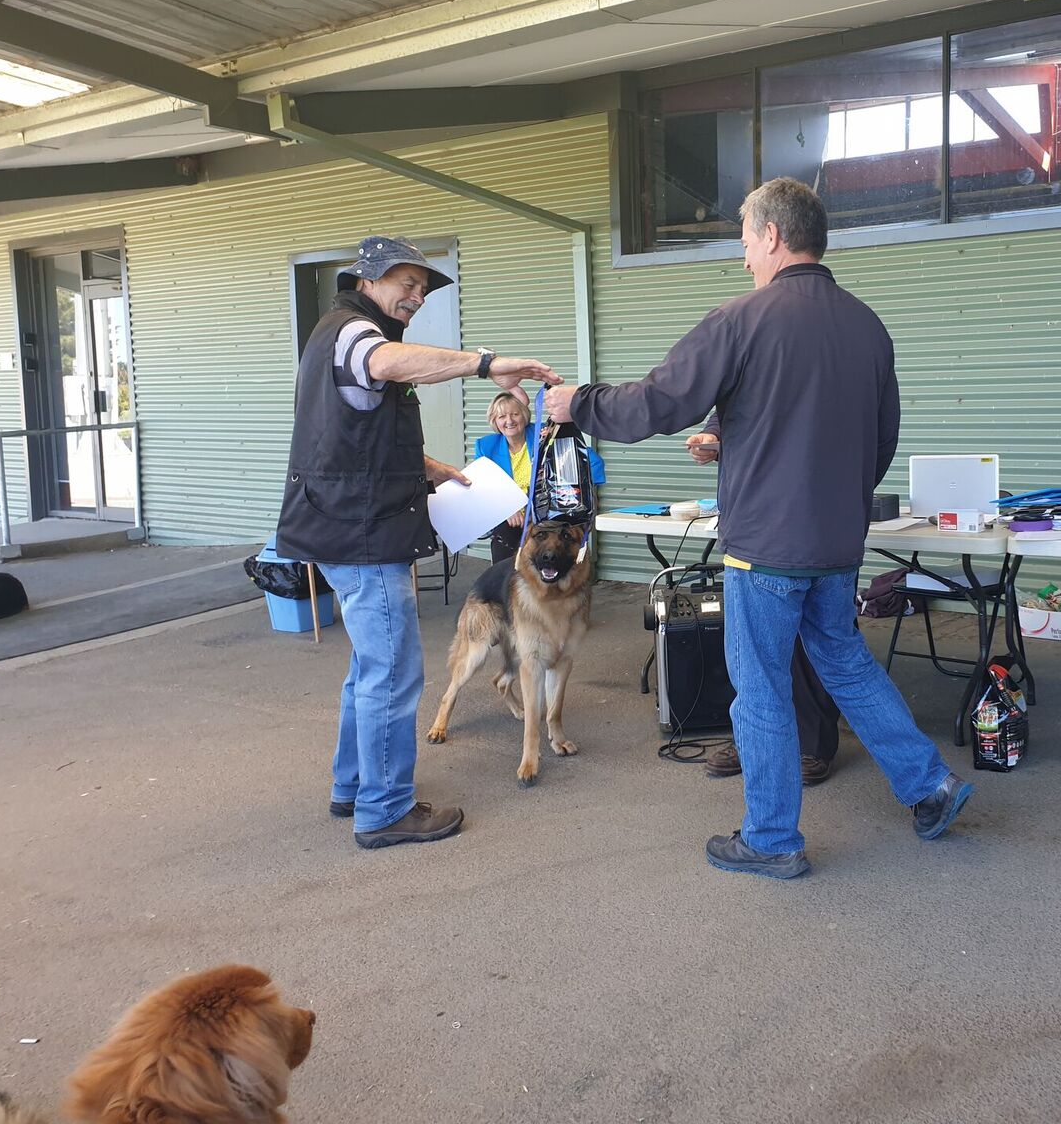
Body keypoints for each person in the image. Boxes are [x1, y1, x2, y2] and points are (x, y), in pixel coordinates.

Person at [544, 178, 972, 880]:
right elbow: (879, 440)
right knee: (846, 663)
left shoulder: (741, 318)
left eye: (745, 241)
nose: (743, 257)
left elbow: (660, 401)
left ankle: (771, 839)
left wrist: (578, 403)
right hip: (836, 543)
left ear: (773, 234)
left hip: (765, 549)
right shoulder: (867, 326)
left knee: (762, 686)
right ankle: (931, 786)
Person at [276, 235, 560, 850]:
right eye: (407, 283)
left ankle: (353, 785)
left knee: (369, 666)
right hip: (362, 534)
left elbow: (353, 432)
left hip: (342, 523)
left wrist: (430, 468)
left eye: (424, 289)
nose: (417, 296)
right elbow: (384, 364)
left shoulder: (340, 332)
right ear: (367, 279)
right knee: (393, 671)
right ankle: (383, 810)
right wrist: (485, 364)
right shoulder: (355, 332)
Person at [686, 413, 839, 786]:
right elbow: (732, 409)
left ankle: (812, 744)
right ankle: (753, 742)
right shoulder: (749, 376)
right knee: (753, 651)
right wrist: (712, 437)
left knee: (814, 643)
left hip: (814, 515)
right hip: (755, 522)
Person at [475, 392, 606, 565]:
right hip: (512, 518)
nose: (509, 421)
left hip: (548, 516)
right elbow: (481, 486)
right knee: (504, 546)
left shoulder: (545, 433)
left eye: (515, 414)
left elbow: (593, 462)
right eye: (502, 416)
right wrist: (506, 507)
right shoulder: (486, 446)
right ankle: (505, 576)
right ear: (494, 421)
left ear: (524, 416)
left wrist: (555, 446)